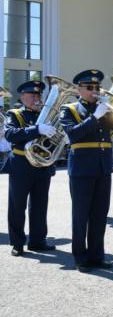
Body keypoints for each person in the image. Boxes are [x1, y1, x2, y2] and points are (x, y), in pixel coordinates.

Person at [60, 69, 113, 272]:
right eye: (89, 87)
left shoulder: (103, 109)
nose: (94, 91)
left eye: (97, 87)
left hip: (103, 167)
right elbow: (73, 134)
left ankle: (97, 255)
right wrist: (94, 117)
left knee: (100, 214)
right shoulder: (69, 109)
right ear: (79, 89)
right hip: (81, 168)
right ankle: (81, 257)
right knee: (81, 215)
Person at [4, 80, 56, 256]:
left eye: (39, 95)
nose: (36, 98)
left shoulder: (48, 115)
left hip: (42, 165)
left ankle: (38, 241)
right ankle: (17, 243)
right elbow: (11, 134)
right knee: (17, 205)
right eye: (32, 95)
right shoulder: (15, 114)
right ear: (22, 97)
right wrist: (37, 129)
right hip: (20, 164)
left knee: (40, 205)